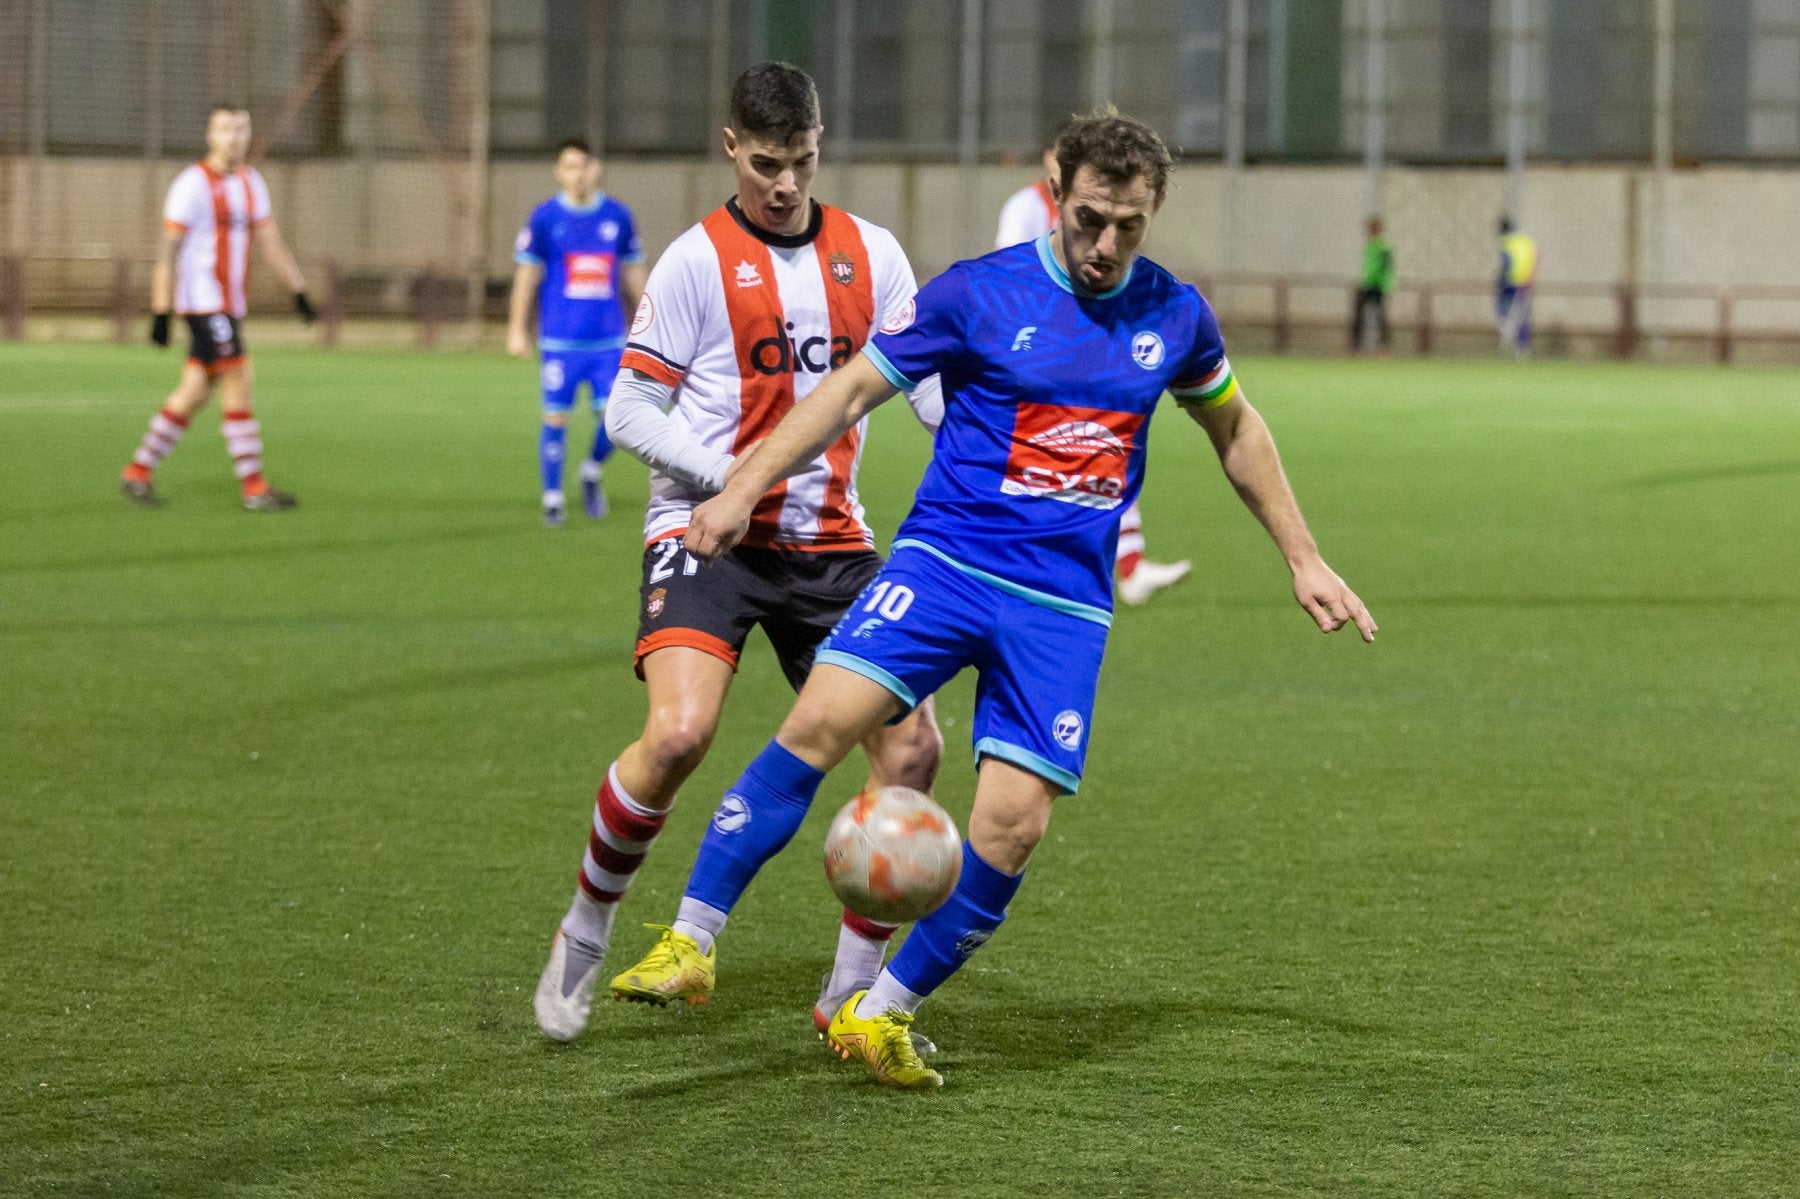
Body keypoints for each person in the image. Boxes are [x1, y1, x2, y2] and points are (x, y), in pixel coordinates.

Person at [644, 110, 1377, 1089]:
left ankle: (881, 1010)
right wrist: (739, 487)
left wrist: (1304, 555)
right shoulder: (979, 293)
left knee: (1012, 826)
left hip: (1063, 609)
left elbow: (1236, 428)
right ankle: (692, 937)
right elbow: (851, 390)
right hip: (943, 565)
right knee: (819, 720)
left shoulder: (1175, 314)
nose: (1106, 245)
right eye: (1089, 218)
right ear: (1053, 185)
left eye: (1129, 225)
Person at [533, 63, 944, 1044]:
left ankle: (848, 988)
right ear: (731, 148)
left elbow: (924, 390)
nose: (786, 183)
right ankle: (588, 923)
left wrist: (993, 440)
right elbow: (633, 407)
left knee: (913, 748)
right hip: (709, 530)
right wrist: (737, 475)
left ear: (819, 142)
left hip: (834, 545)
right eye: (766, 164)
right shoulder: (693, 260)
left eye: (801, 161)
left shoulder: (874, 254)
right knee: (679, 734)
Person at [996, 130, 1190, 607]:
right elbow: (1008, 275)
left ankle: (1129, 566)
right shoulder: (1024, 206)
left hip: (1083, 348)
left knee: (1106, 458)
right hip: (1036, 359)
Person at [121, 104, 314, 511]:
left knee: (194, 392)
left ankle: (138, 471)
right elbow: (167, 251)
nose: (234, 138)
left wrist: (297, 290)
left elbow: (270, 241)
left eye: (241, 129)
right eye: (225, 129)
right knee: (239, 377)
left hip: (229, 305)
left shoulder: (251, 182)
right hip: (204, 304)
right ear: (211, 135)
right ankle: (254, 487)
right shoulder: (191, 184)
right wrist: (161, 310)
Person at [507, 138, 647, 526]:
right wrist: (517, 328)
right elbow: (527, 274)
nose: (577, 174)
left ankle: (590, 470)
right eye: (568, 166)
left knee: (616, 422)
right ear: (558, 171)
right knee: (555, 419)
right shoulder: (545, 218)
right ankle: (553, 497)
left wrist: (650, 320)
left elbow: (633, 272)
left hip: (608, 341)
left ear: (595, 168)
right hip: (559, 341)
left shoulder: (617, 216)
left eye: (582, 165)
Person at [1351, 216, 1394, 355]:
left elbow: (1386, 268)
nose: (1368, 232)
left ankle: (1383, 347)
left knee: (1380, 317)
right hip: (1366, 284)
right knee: (1359, 315)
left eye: (1371, 229)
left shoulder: (1383, 247)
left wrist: (1387, 285)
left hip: (1377, 285)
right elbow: (1367, 266)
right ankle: (1357, 346)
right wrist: (1362, 281)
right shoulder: (1369, 246)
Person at [1496, 216, 1536, 358]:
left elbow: (1505, 263)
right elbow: (1535, 258)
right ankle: (1522, 348)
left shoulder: (1507, 242)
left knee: (1502, 306)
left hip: (1510, 282)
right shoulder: (1526, 241)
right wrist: (1531, 277)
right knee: (1522, 315)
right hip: (1525, 283)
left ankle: (1505, 325)